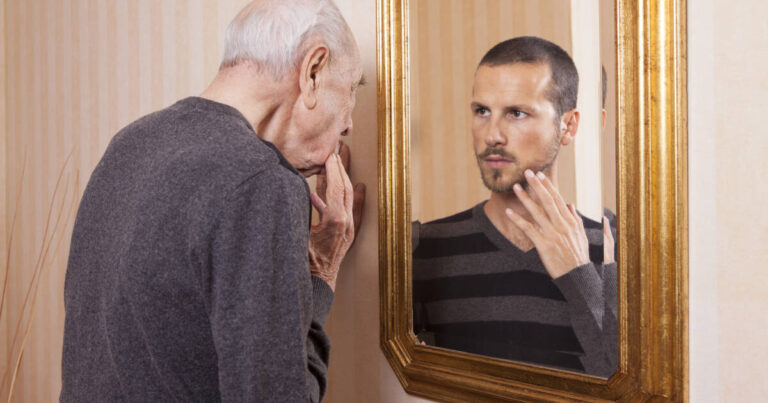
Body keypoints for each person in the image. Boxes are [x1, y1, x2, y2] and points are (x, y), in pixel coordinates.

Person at [60, 0, 365, 401]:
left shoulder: (129, 143)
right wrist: (322, 273)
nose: (349, 123)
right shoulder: (262, 180)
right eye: (350, 91)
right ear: (312, 70)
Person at [412, 36, 617, 377]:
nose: (492, 134)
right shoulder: (426, 248)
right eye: (482, 111)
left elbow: (626, 385)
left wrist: (579, 277)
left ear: (569, 125)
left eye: (516, 113)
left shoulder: (613, 250)